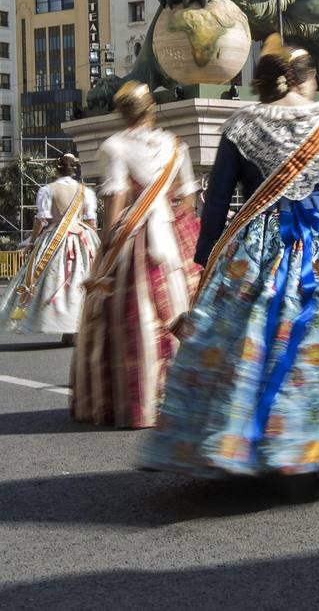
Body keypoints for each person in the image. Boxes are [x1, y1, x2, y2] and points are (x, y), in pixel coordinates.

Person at [138, 37, 319, 488]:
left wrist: (206, 261)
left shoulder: (240, 124)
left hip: (259, 242)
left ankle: (245, 440)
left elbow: (218, 202)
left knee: (253, 342)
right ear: (306, 78)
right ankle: (317, 437)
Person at [71, 83, 197, 428]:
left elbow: (115, 199)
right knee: (179, 309)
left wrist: (109, 243)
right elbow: (188, 198)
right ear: (150, 109)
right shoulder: (175, 145)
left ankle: (138, 398)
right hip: (171, 235)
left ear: (121, 111)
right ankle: (183, 395)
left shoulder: (115, 146)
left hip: (135, 236)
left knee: (128, 318)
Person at [0, 154, 99, 345]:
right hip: (81, 239)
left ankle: (61, 326)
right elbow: (91, 222)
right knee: (80, 282)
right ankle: (74, 329)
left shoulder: (47, 190)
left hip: (55, 240)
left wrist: (33, 241)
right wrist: (93, 244)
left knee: (54, 283)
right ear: (74, 170)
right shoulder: (86, 192)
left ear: (56, 169)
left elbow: (41, 220)